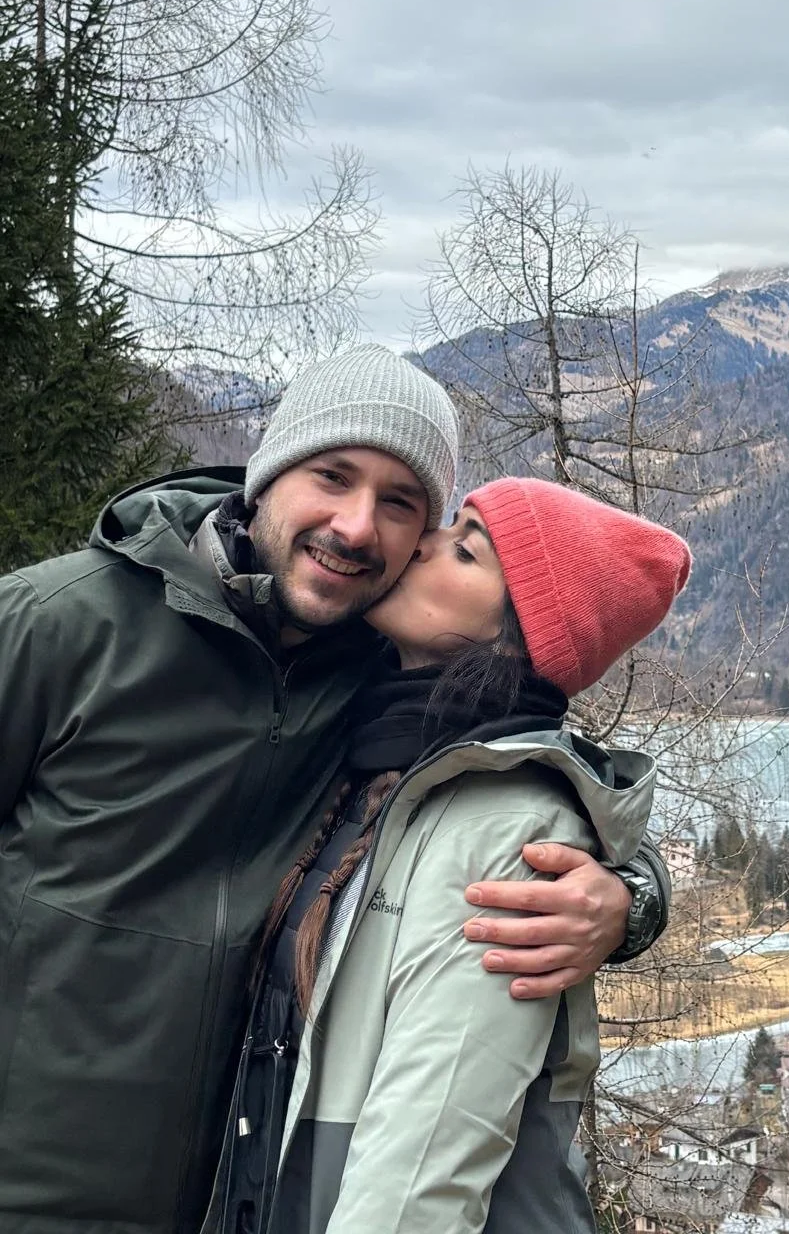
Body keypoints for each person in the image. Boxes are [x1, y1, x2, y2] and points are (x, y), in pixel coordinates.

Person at [0, 346, 669, 1234]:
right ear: (268, 472)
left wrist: (628, 899)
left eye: (403, 505)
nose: (358, 528)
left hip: (218, 1198)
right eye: (333, 475)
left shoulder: (374, 673)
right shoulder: (60, 626)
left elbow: (539, 782)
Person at [207, 476, 691, 1234]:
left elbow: (420, 1183)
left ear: (513, 636)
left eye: (463, 551)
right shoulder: (369, 750)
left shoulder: (511, 835)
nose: (420, 543)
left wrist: (632, 895)